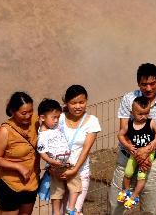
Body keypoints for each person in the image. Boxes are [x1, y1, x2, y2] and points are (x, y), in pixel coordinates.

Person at [108, 63, 156, 215]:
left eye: (152, 83)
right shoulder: (128, 99)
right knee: (117, 207)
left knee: (150, 209)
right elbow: (123, 130)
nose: (148, 88)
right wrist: (138, 154)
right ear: (138, 83)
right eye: (144, 84)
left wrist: (146, 151)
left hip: (152, 161)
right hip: (126, 158)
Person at [0, 92, 38, 215]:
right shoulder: (5, 131)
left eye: (30, 111)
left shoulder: (35, 120)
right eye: (23, 113)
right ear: (13, 111)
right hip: (10, 185)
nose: (28, 116)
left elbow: (52, 114)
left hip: (31, 182)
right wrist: (18, 166)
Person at [58, 85, 100, 215]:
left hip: (80, 172)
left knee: (73, 211)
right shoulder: (58, 118)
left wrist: (75, 169)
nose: (78, 106)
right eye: (73, 103)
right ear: (66, 103)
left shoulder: (92, 121)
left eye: (81, 102)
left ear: (86, 101)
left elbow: (86, 149)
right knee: (59, 212)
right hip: (58, 172)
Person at [36, 98, 79, 215]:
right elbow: (42, 152)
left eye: (58, 117)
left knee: (75, 184)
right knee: (57, 190)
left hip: (67, 162)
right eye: (53, 118)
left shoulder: (54, 126)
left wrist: (64, 107)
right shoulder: (42, 135)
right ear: (42, 118)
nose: (56, 120)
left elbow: (58, 111)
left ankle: (71, 208)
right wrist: (51, 161)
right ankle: (56, 212)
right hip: (55, 165)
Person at [116, 97, 156, 210]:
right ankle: (126, 191)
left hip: (148, 152)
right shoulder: (129, 125)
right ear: (132, 113)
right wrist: (127, 145)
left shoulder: (151, 123)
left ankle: (135, 196)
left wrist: (154, 142)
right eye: (140, 114)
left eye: (146, 113)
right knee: (128, 172)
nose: (144, 116)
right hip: (134, 154)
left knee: (141, 176)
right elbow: (120, 135)